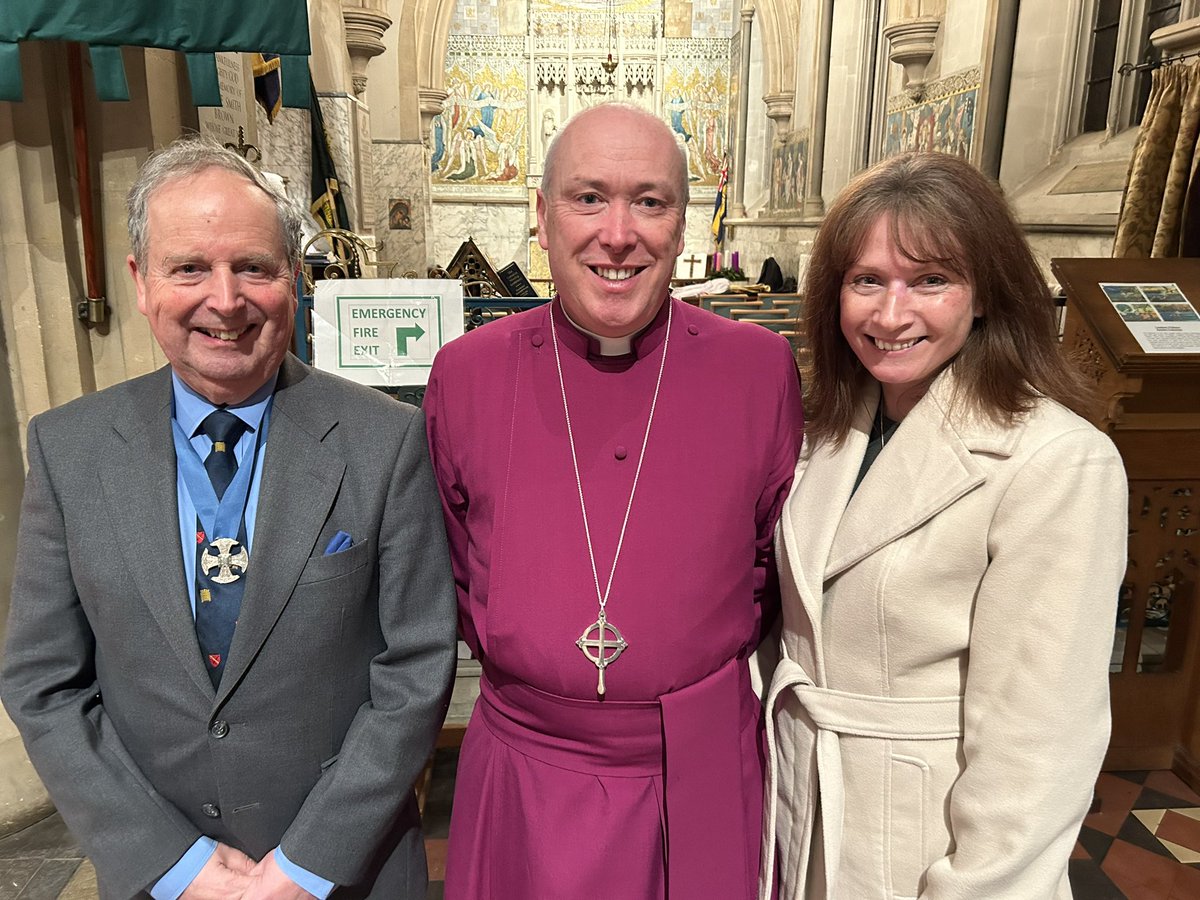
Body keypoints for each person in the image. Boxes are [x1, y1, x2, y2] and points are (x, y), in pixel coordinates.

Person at [1, 139, 457, 899]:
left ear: (294, 280)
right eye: (189, 268)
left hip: (350, 872)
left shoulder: (383, 440)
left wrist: (306, 862)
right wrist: (177, 866)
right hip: (159, 875)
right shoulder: (67, 450)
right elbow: (44, 683)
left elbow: (417, 665)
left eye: (254, 266)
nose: (225, 298)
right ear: (141, 283)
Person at [424, 102, 804, 899]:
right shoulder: (467, 374)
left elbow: (771, 570)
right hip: (525, 772)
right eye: (588, 196)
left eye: (651, 201)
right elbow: (453, 568)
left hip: (698, 766)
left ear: (684, 222)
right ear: (541, 215)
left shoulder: (758, 370)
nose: (619, 233)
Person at [761, 152, 1127, 899]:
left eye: (930, 280)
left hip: (925, 842)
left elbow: (1038, 749)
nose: (891, 316)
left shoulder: (1057, 461)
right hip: (803, 813)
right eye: (867, 281)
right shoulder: (826, 429)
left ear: (985, 292)